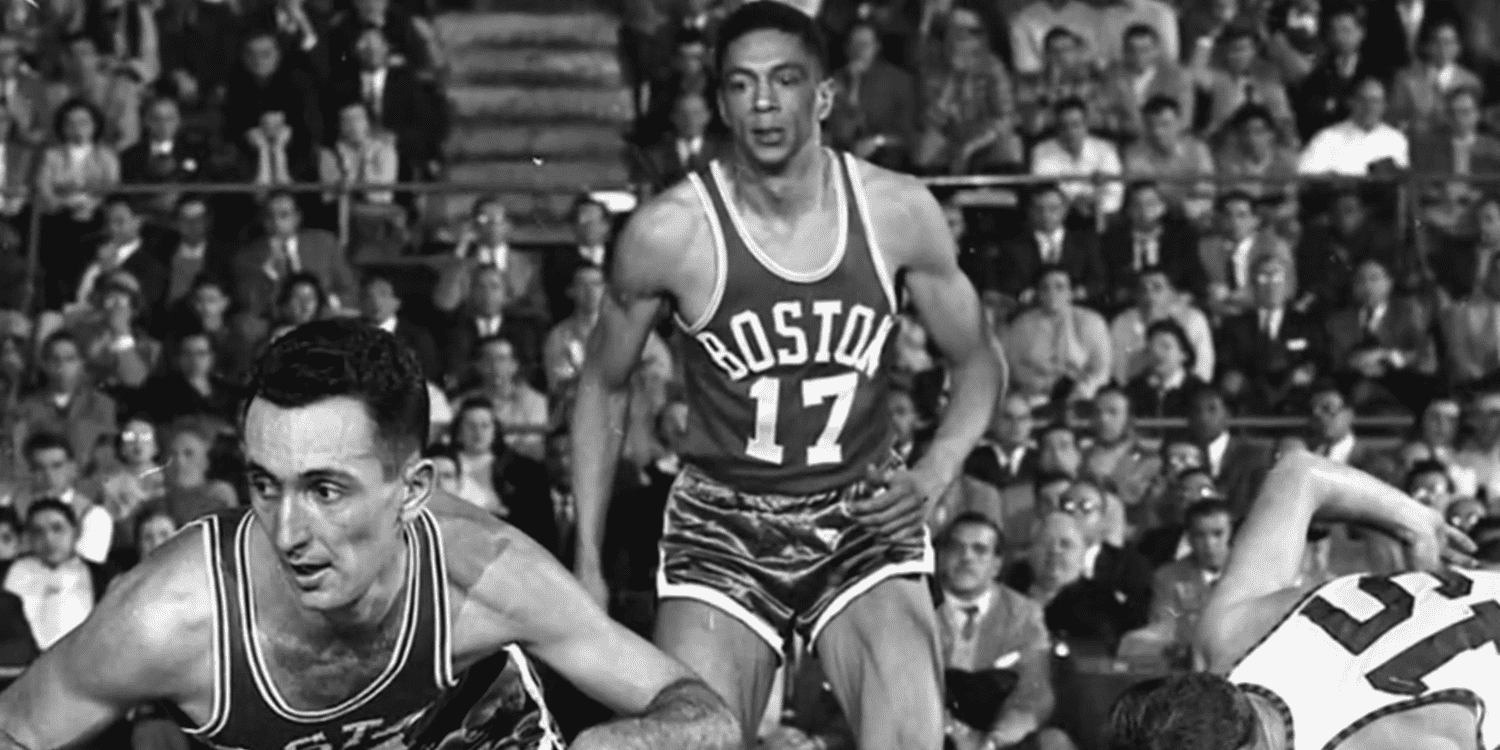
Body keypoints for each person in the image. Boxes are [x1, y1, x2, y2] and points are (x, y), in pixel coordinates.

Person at [570, 3, 1003, 750]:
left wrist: (934, 473)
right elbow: (602, 386)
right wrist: (586, 556)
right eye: (742, 84)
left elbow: (978, 362)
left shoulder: (897, 210)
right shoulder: (670, 231)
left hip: (859, 513)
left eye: (785, 80)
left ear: (824, 95)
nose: (764, 103)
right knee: (696, 740)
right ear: (721, 103)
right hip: (724, 522)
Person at [0, 320, 738, 750]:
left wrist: (616, 742)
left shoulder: (486, 574)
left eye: (326, 491)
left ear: (412, 491)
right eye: (265, 484)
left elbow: (703, 713)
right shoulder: (170, 615)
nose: (289, 532)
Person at [1107, 450, 1486, 750]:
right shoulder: (1228, 634)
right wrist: (1415, 520)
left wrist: (1416, 521)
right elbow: (1299, 475)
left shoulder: (1389, 738)